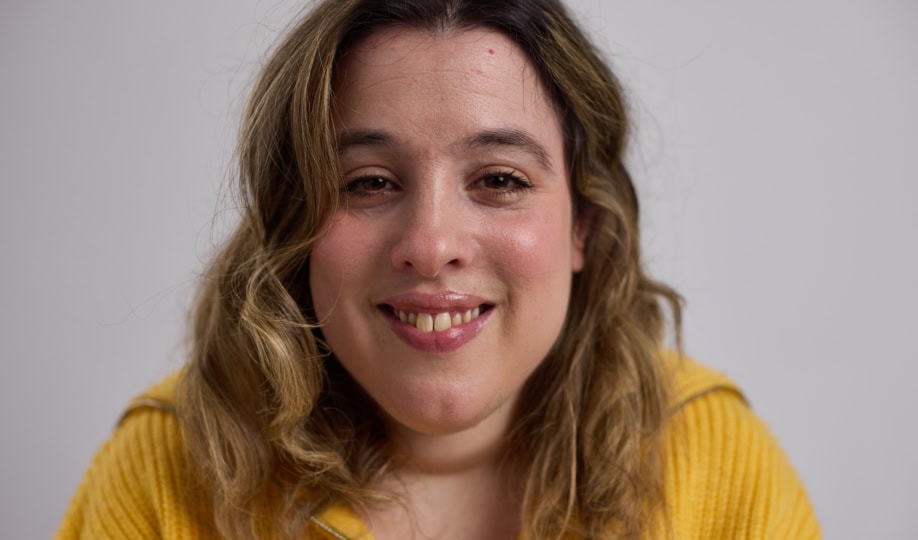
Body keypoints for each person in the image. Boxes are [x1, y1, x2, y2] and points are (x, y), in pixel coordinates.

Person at [57, 0, 820, 538]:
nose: (430, 242)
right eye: (369, 183)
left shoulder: (719, 466)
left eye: (499, 180)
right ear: (296, 224)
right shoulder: (164, 472)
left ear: (583, 223)